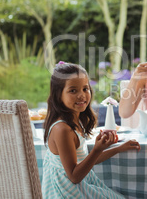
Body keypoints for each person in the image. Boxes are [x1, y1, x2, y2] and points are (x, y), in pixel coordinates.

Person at [42, 62, 140, 198]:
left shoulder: (76, 121)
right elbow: (74, 176)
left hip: (78, 186)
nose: (81, 95)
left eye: (85, 89)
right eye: (73, 90)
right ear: (58, 95)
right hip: (67, 192)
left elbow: (85, 159)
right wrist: (97, 149)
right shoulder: (62, 129)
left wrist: (118, 148)